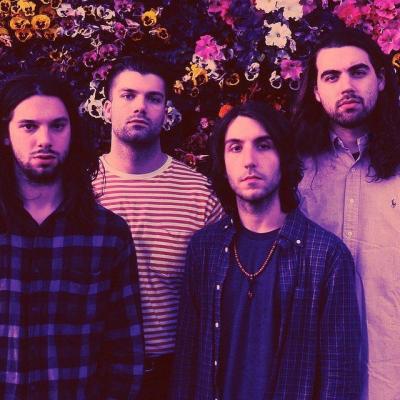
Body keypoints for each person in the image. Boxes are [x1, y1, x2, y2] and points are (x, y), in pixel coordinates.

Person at [171, 101, 361, 399]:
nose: (249, 160)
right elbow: (187, 362)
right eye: (235, 147)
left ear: (283, 157)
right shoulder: (204, 249)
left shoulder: (326, 256)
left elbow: (338, 377)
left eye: (263, 145)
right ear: (223, 163)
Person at [0, 73, 144, 399]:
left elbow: (124, 352)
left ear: (72, 132)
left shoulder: (107, 234)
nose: (44, 139)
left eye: (57, 126)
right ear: (6, 134)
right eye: (28, 126)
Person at [92, 55, 224, 399]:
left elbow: (219, 296)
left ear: (166, 112)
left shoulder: (199, 194)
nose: (140, 106)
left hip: (172, 374)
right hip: (95, 370)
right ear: (107, 109)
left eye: (153, 98)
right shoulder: (80, 188)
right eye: (128, 95)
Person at [291, 27, 400, 399]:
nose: (346, 86)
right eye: (331, 76)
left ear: (380, 79)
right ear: (316, 91)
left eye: (358, 72)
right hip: (312, 375)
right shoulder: (293, 170)